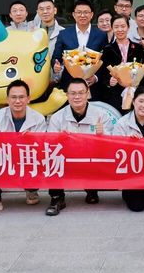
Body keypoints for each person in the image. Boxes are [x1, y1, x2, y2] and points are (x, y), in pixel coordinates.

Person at [0, 80, 48, 218]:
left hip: (27, 158)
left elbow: (42, 147)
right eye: (13, 97)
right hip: (4, 158)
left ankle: (31, 189)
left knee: (39, 160)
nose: (17, 101)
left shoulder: (38, 119)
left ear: (28, 99)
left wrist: (32, 140)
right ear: (7, 99)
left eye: (21, 97)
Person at [46, 78, 113, 213]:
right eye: (73, 93)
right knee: (52, 159)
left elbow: (112, 143)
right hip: (67, 157)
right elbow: (49, 145)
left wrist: (102, 134)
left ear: (87, 94)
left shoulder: (102, 115)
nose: (77, 97)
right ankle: (57, 197)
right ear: (67, 95)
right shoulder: (57, 117)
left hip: (92, 156)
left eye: (81, 93)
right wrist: (59, 139)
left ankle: (92, 189)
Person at [52, 0, 108, 91]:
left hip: (93, 86)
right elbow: (56, 57)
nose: (82, 15)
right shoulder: (63, 34)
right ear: (74, 14)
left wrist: (96, 77)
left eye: (86, 12)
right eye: (79, 12)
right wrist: (55, 65)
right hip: (69, 85)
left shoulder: (101, 35)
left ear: (91, 14)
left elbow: (105, 61)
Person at [98, 14, 144, 113]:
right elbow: (102, 72)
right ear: (112, 28)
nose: (120, 30)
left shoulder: (137, 48)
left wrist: (136, 83)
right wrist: (109, 80)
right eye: (116, 27)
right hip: (114, 94)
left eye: (123, 26)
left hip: (135, 93)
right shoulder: (107, 49)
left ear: (128, 27)